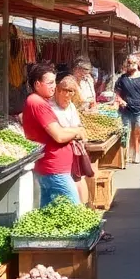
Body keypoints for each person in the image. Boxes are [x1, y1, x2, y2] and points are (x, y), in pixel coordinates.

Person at [21, 63, 87, 206]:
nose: (53, 86)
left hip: (52, 168)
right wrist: (77, 131)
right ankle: (86, 230)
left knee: (50, 213)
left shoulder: (39, 101)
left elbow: (59, 130)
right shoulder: (37, 103)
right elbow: (59, 135)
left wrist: (74, 131)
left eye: (54, 82)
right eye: (50, 82)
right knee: (74, 211)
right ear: (37, 84)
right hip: (53, 168)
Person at [52, 76, 91, 204]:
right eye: (65, 91)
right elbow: (61, 131)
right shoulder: (50, 107)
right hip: (59, 149)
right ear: (58, 90)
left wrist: (74, 132)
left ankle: (82, 208)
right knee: (69, 181)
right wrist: (75, 132)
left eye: (71, 92)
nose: (68, 96)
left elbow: (77, 127)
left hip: (72, 148)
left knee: (78, 178)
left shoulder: (71, 106)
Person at [115, 55, 140, 163]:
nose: (132, 65)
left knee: (138, 133)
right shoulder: (122, 78)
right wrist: (121, 100)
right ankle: (126, 154)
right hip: (126, 110)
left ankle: (136, 154)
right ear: (127, 64)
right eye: (130, 63)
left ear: (137, 64)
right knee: (126, 133)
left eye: (134, 63)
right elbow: (117, 93)